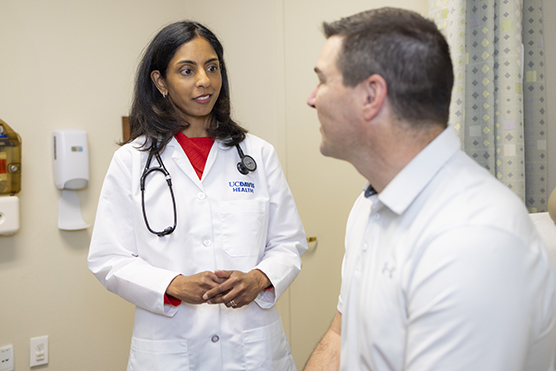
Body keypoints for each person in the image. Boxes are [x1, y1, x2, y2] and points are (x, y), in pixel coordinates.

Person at [304, 7, 556, 371]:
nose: (312, 98)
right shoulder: (369, 205)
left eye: (323, 80)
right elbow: (342, 337)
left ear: (371, 95)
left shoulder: (474, 236)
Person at [87, 20, 307, 371]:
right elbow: (108, 258)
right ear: (160, 82)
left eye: (212, 67)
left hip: (252, 346)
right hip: (171, 346)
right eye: (187, 70)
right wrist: (173, 284)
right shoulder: (131, 161)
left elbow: (288, 242)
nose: (204, 81)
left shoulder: (257, 155)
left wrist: (258, 279)